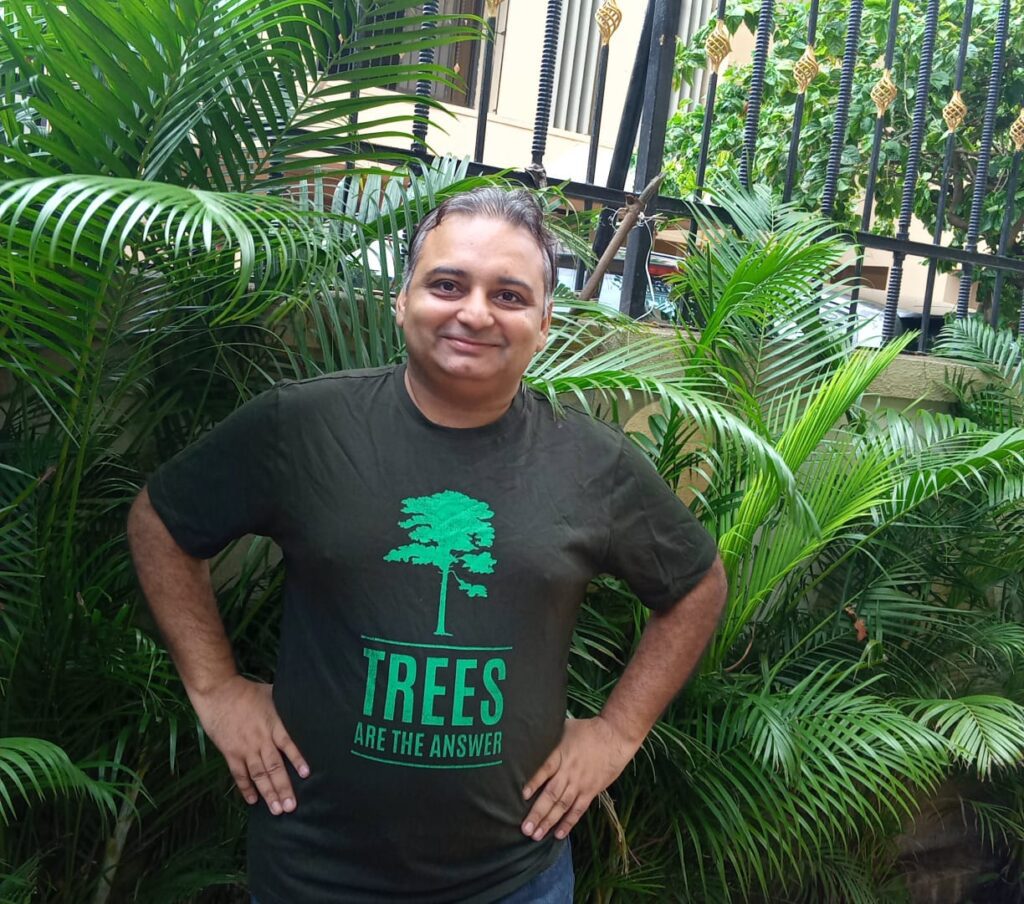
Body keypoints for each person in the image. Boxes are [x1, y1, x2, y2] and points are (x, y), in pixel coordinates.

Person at [128, 186, 727, 903]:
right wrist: (216, 689)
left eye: (509, 295)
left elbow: (695, 584)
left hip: (513, 880)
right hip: (312, 875)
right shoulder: (303, 427)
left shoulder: (592, 464)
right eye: (447, 284)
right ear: (401, 299)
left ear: (543, 322)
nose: (474, 312)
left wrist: (617, 734)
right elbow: (162, 522)